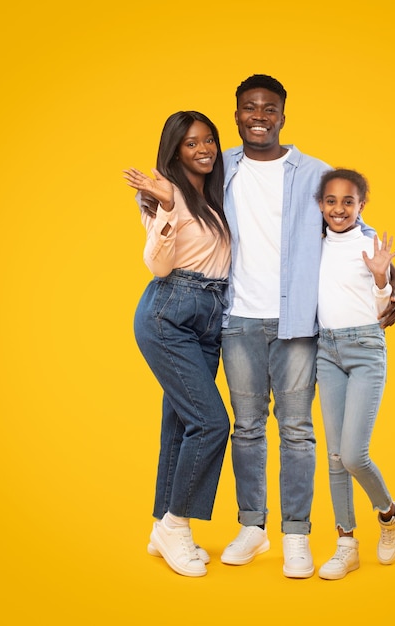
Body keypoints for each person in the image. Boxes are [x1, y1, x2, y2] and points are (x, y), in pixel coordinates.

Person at [219, 74, 395, 578]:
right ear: (236, 114)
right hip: (237, 317)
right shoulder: (222, 167)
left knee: (298, 431)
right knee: (248, 428)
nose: (260, 115)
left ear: (283, 114)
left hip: (300, 324)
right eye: (250, 107)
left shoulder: (316, 173)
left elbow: (356, 230)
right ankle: (252, 528)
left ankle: (296, 534)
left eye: (270, 107)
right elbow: (182, 197)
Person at [123, 110, 231, 578]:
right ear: (175, 150)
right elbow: (157, 266)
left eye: (209, 139)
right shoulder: (164, 194)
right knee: (212, 423)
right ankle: (177, 524)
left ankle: (161, 527)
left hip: (210, 316)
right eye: (191, 144)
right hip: (170, 310)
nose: (204, 149)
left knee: (183, 422)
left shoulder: (215, 193)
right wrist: (167, 206)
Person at [315, 168, 395, 580]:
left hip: (366, 348)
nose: (339, 209)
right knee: (334, 458)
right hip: (326, 350)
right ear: (320, 205)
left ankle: (389, 514)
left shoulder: (369, 244)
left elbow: (382, 309)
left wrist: (382, 277)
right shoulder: (312, 244)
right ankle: (346, 543)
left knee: (353, 454)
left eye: (348, 202)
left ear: (361, 206)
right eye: (331, 201)